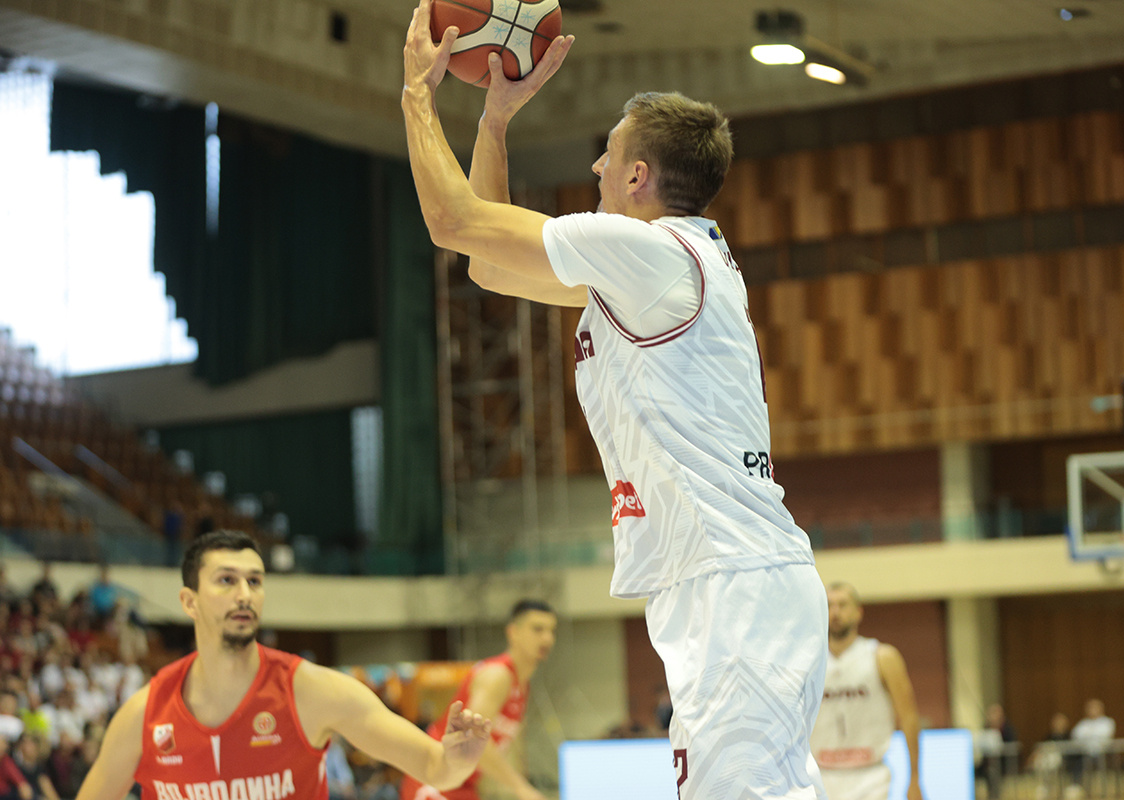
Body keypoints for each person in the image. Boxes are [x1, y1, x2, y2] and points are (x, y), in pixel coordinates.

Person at [402, 4, 829, 798]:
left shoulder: (652, 252)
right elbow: (489, 264)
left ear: (638, 177)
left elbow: (450, 220)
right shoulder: (652, 269)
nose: (595, 170)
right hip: (722, 583)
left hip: (732, 583)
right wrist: (492, 124)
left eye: (607, 158)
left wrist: (417, 96)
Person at [74, 530, 491, 800]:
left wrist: (460, 758)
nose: (244, 594)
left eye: (254, 581)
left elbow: (436, 767)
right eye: (226, 580)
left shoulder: (313, 692)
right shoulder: (144, 713)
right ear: (189, 602)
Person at [401, 600, 557, 800]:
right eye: (538, 629)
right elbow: (473, 739)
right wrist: (522, 788)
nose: (547, 638)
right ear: (513, 632)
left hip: (463, 781)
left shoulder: (523, 685)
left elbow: (504, 748)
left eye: (552, 631)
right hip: (436, 777)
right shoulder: (498, 675)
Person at [811, 583, 922, 800]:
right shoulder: (809, 661)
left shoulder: (882, 657)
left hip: (870, 776)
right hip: (820, 774)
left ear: (858, 612)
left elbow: (909, 718)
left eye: (842, 605)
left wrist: (915, 778)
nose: (835, 612)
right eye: (829, 605)